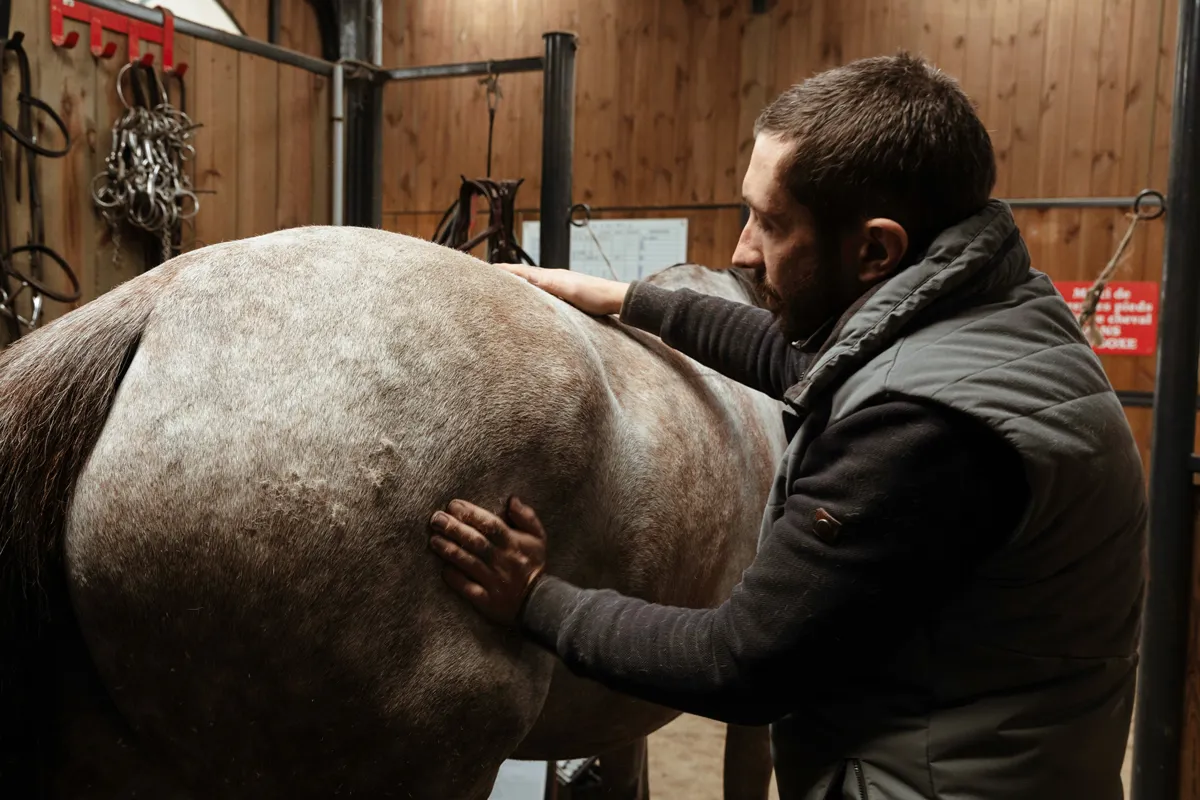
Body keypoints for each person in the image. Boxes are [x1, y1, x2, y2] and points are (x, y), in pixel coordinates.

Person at [427, 53, 1147, 800]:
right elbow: (809, 357)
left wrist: (539, 595)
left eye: (770, 223)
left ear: (875, 249)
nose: (741, 250)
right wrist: (626, 299)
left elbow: (741, 663)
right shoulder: (993, 311)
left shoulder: (921, 434)